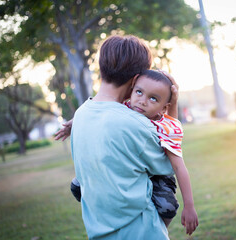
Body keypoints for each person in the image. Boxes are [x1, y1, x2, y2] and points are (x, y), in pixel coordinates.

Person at [54, 35, 196, 239]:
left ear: (101, 65)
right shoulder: (136, 124)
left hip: (97, 232)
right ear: (136, 79)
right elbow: (168, 165)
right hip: (141, 232)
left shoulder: (82, 113)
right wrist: (172, 104)